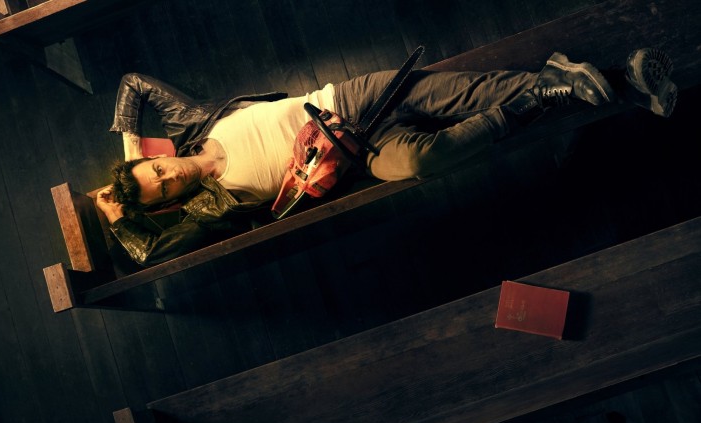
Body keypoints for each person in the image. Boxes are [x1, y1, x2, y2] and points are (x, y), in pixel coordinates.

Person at [96, 47, 677, 266]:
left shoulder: (193, 123)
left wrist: (128, 153)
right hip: (365, 152)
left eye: (156, 170)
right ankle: (579, 83)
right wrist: (123, 219)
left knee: (474, 93)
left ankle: (618, 82)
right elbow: (153, 253)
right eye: (165, 188)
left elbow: (133, 83)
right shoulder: (216, 205)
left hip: (355, 99)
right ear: (174, 200)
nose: (168, 174)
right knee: (421, 164)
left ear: (154, 159)